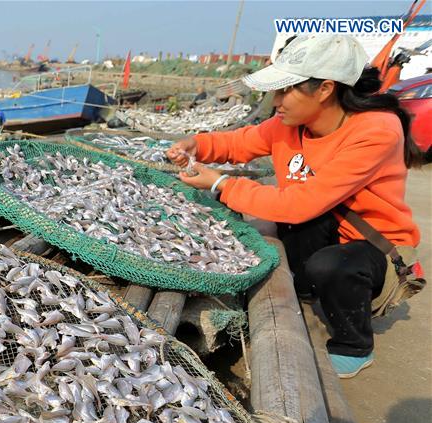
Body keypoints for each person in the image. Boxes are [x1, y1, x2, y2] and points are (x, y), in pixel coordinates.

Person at [167, 34, 424, 379]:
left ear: (325, 89)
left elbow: (301, 203)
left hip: (372, 248)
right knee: (296, 231)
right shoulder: (291, 124)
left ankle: (354, 346)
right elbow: (241, 142)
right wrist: (196, 144)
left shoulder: (376, 131)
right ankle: (306, 287)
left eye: (286, 90)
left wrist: (220, 183)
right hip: (322, 223)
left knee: (331, 265)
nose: (276, 101)